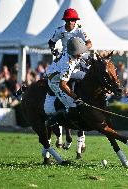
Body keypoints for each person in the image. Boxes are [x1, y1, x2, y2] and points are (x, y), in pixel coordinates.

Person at [46, 8, 92, 150]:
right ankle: (52, 102)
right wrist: (53, 49)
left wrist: (81, 49)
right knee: (48, 77)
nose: (73, 22)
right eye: (71, 20)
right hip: (66, 58)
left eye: (74, 20)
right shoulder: (60, 30)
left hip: (79, 54)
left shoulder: (80, 29)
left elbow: (89, 43)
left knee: (88, 76)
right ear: (66, 21)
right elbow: (51, 42)